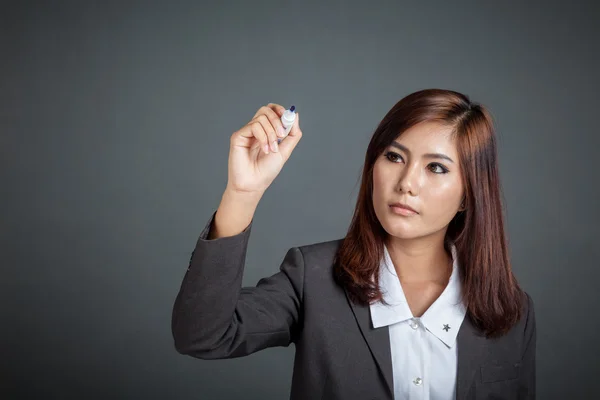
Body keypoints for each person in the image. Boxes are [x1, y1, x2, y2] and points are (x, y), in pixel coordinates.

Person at [171, 89, 536, 400]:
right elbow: (203, 336)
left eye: (436, 168)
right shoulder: (312, 277)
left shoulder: (510, 310)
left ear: (468, 195)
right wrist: (242, 193)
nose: (407, 182)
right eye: (394, 157)